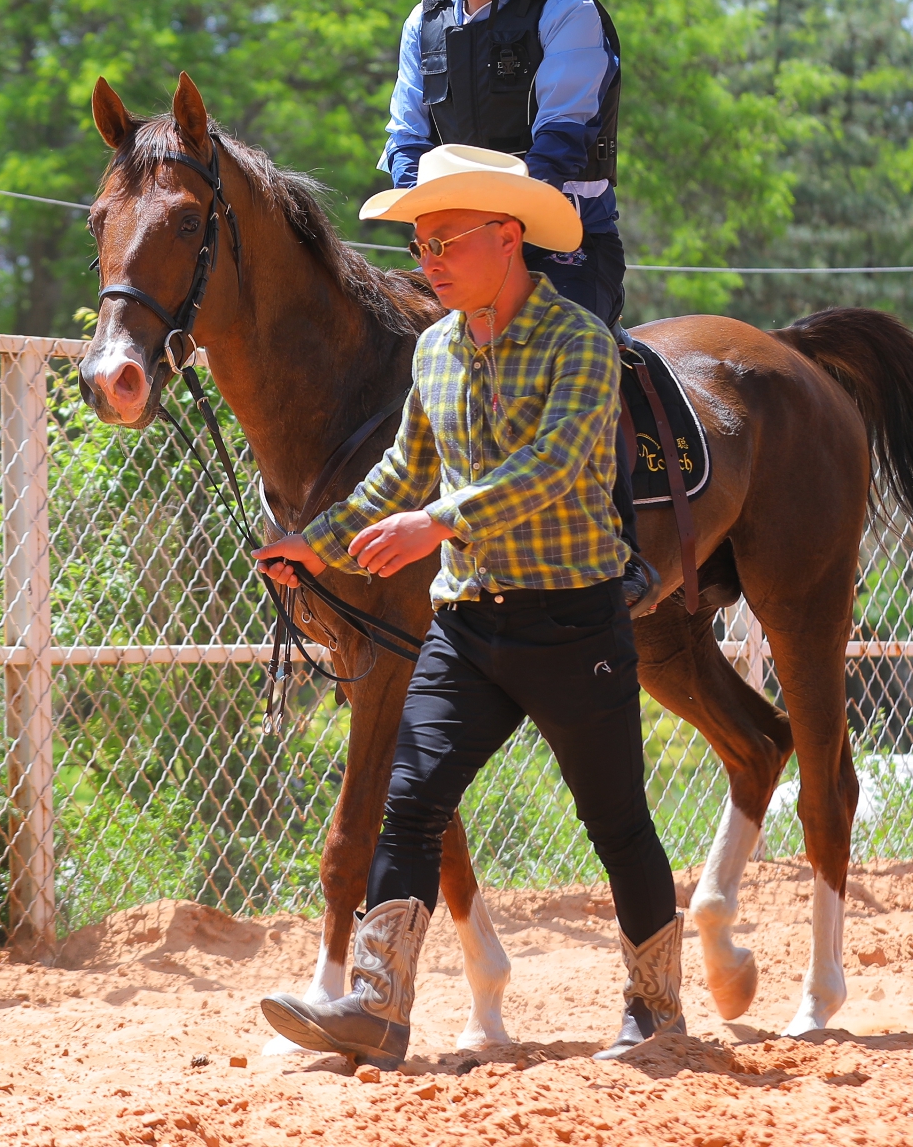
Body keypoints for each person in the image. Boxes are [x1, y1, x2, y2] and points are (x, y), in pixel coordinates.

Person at [249, 144, 683, 1071]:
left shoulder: (580, 343)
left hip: (573, 621)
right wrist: (316, 541)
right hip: (468, 625)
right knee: (409, 805)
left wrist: (436, 523)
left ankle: (655, 1009)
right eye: (421, 243)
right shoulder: (435, 351)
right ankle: (378, 1008)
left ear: (508, 236)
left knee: (616, 823)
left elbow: (554, 466)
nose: (429, 259)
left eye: (446, 240)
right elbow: (396, 476)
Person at [383, 0, 627, 328]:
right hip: (457, 247)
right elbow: (406, 142)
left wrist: (484, 229)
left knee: (550, 342)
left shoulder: (567, 10)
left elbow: (559, 146)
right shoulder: (422, 22)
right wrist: (436, 225)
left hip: (563, 246)